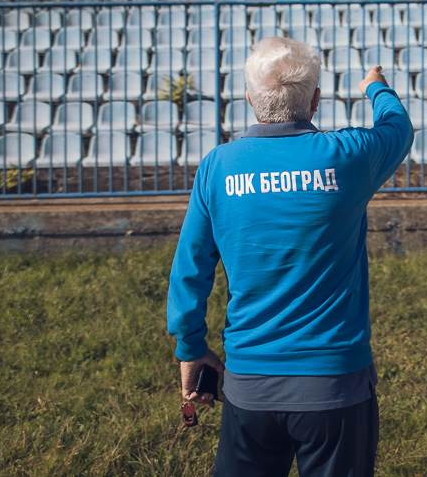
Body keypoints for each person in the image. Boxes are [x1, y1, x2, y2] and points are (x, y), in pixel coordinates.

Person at [167, 36, 414, 476]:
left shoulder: (218, 166)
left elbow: (190, 269)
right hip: (335, 384)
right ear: (315, 100)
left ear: (249, 99)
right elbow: (398, 127)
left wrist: (191, 347)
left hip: (249, 384)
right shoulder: (348, 155)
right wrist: (375, 86)